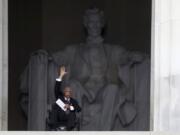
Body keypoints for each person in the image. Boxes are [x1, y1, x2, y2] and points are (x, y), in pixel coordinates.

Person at [48, 66, 81, 131]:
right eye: (66, 91)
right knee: (54, 109)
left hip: (68, 119)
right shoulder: (60, 98)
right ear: (64, 92)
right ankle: (53, 128)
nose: (67, 92)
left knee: (72, 113)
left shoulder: (73, 101)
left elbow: (79, 109)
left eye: (69, 91)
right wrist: (61, 76)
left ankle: (68, 130)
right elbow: (56, 89)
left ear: (71, 93)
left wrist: (70, 107)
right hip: (59, 117)